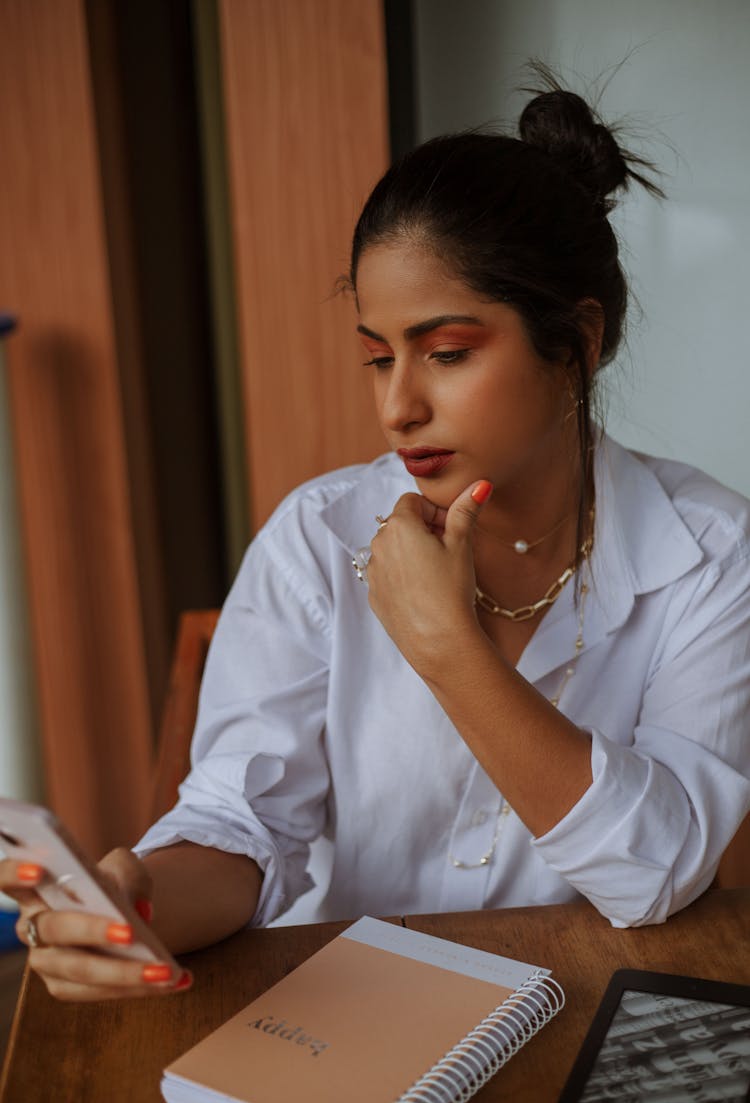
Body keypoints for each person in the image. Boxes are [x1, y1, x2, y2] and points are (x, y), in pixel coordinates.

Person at [4, 75, 750, 1001]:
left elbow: (660, 873)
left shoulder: (711, 555)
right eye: (376, 355)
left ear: (578, 343)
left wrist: (449, 651)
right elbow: (242, 826)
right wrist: (139, 904)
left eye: (446, 353)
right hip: (349, 1019)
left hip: (590, 1012)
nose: (398, 406)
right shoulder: (316, 539)